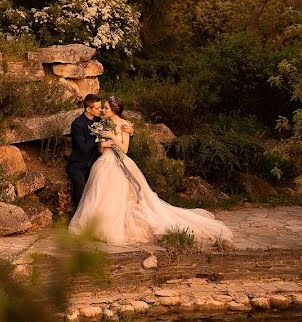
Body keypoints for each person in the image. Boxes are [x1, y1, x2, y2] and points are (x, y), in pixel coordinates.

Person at [68, 96, 233, 245]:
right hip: (103, 161)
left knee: (119, 197)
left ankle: (112, 227)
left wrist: (113, 136)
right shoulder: (101, 122)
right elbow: (100, 149)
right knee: (98, 195)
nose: (103, 110)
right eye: (101, 108)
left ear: (114, 110)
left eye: (105, 108)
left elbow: (124, 149)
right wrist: (102, 144)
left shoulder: (125, 125)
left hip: (120, 162)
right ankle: (94, 226)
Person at [66, 94, 135, 210]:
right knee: (81, 185)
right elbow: (83, 148)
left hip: (96, 161)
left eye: (102, 107)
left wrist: (131, 131)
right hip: (79, 164)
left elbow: (120, 133)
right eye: (98, 108)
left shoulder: (101, 121)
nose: (101, 110)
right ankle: (81, 213)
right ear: (88, 109)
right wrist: (100, 141)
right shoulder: (77, 124)